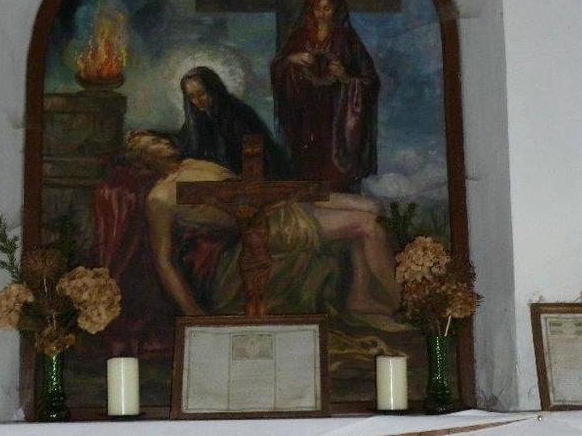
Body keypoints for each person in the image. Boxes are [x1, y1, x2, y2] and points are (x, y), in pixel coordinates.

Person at [129, 130, 399, 316]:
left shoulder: (192, 163)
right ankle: (397, 302)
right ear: (142, 158)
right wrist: (193, 313)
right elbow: (164, 261)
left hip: (277, 206)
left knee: (373, 207)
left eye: (159, 137)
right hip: (265, 229)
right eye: (152, 143)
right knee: (368, 227)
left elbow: (250, 187)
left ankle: (360, 296)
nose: (163, 142)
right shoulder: (161, 197)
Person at [271, 0, 379, 191]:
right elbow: (278, 66)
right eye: (317, 8)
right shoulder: (299, 37)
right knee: (306, 176)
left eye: (327, 8)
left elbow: (371, 80)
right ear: (310, 9)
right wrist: (292, 59)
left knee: (335, 181)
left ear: (336, 9)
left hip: (337, 118)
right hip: (305, 117)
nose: (321, 13)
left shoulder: (348, 40)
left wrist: (345, 77)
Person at [177, 66, 291, 178]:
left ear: (213, 89)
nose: (197, 101)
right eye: (191, 97)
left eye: (201, 94)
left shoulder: (238, 113)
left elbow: (256, 157)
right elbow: (185, 151)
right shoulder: (194, 121)